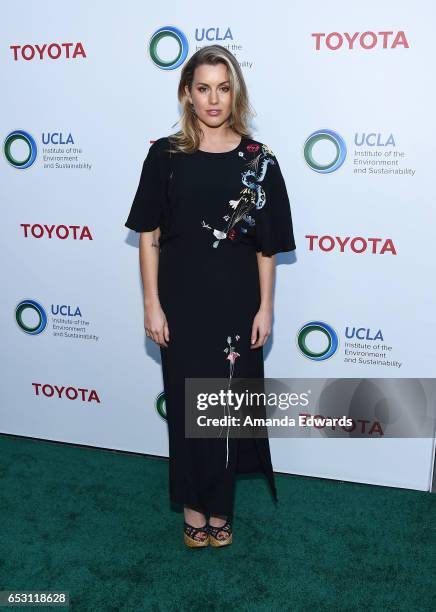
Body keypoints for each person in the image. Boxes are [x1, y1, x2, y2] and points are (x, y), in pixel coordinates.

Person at [124, 44, 296, 548]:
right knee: (185, 409)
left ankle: (221, 508)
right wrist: (151, 304)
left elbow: (267, 248)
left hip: (238, 307)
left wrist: (266, 307)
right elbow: (148, 235)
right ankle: (194, 509)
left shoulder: (260, 162)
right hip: (180, 304)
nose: (214, 99)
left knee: (224, 412)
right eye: (203, 88)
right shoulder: (165, 156)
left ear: (234, 92)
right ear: (187, 94)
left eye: (223, 88)